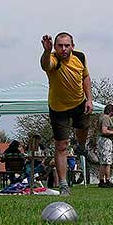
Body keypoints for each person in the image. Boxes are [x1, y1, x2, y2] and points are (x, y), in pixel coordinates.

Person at [40, 32, 93, 196]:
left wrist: (89, 99)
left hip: (79, 103)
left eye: (67, 45)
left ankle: (81, 147)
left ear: (72, 46)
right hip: (58, 108)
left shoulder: (80, 57)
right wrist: (47, 51)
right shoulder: (54, 59)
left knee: (83, 130)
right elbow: (45, 65)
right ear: (55, 47)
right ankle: (63, 184)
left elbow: (86, 77)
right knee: (61, 145)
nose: (63, 49)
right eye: (60, 46)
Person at [97, 104, 113, 188]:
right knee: (106, 161)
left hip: (103, 140)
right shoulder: (106, 118)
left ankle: (103, 180)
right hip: (105, 140)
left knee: (104, 161)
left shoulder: (102, 117)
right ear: (111, 111)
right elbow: (104, 130)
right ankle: (106, 180)